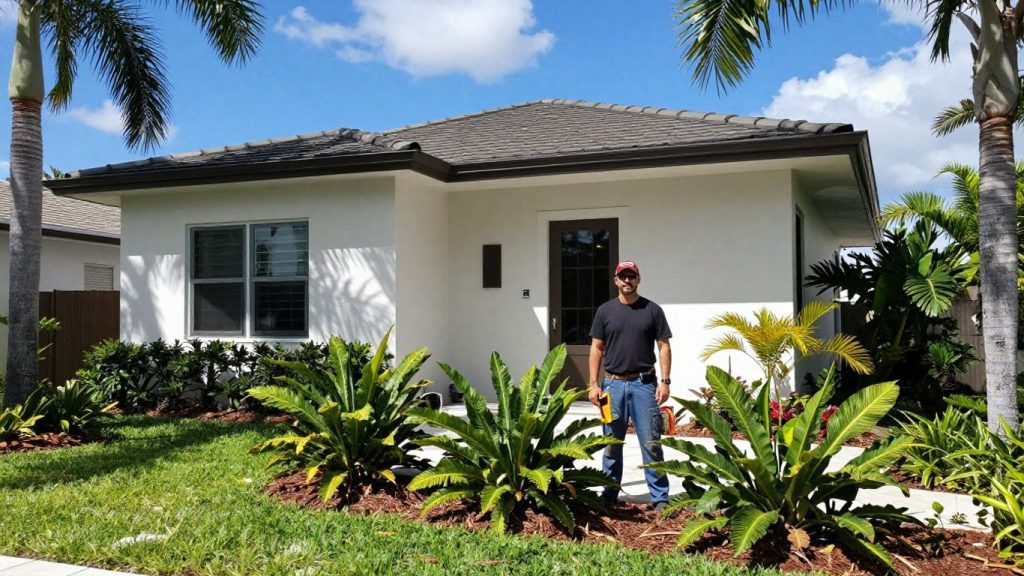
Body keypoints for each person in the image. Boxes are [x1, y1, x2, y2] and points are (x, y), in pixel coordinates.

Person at [588, 260, 672, 511]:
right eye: (622, 277)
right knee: (611, 443)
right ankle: (609, 492)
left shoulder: (652, 310)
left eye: (631, 276)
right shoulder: (604, 311)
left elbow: (664, 345)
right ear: (615, 281)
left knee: (651, 442)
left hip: (644, 384)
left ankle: (660, 498)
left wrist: (665, 381)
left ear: (638, 279)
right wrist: (594, 384)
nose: (627, 281)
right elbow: (596, 348)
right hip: (611, 387)